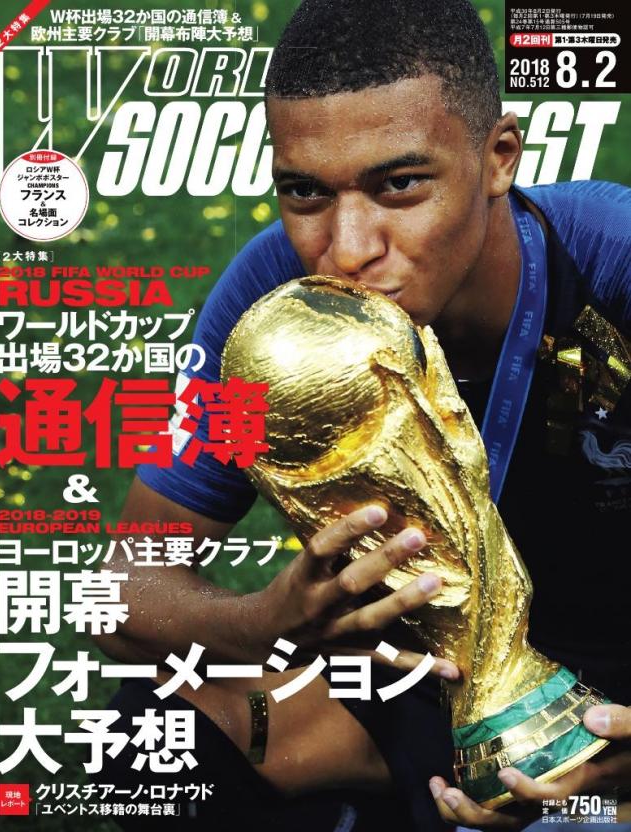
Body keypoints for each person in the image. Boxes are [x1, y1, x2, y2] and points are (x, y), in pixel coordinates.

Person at [95, 0, 631, 828]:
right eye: (306, 192)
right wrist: (265, 623)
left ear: (498, 158)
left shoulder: (613, 261)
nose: (347, 249)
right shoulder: (273, 309)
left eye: (400, 184)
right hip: (422, 672)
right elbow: (126, 589)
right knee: (153, 738)